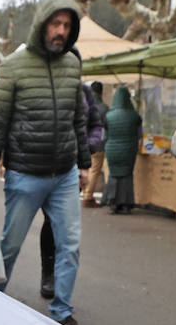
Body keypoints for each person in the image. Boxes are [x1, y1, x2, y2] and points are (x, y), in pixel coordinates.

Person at [0, 0, 92, 325]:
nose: (61, 31)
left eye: (67, 26)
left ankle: (62, 313)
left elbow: (78, 118)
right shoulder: (13, 67)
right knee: (10, 245)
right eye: (55, 24)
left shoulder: (72, 64)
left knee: (70, 244)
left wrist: (83, 164)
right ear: (42, 24)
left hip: (65, 175)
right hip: (25, 173)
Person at [36, 75, 105, 298]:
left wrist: (86, 151)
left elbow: (96, 127)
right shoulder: (43, 90)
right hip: (45, 166)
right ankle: (48, 274)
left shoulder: (83, 93)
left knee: (65, 226)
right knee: (50, 221)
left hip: (72, 168)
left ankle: (60, 283)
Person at [102, 85, 142, 215]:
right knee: (126, 175)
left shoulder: (108, 116)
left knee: (113, 175)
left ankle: (113, 203)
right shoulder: (134, 116)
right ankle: (126, 204)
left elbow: (104, 136)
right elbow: (140, 135)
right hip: (128, 149)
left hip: (112, 150)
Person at [82, 81, 111, 206]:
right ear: (101, 92)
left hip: (84, 142)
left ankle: (85, 193)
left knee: (85, 168)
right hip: (98, 143)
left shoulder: (84, 105)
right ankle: (88, 196)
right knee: (95, 170)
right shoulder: (104, 108)